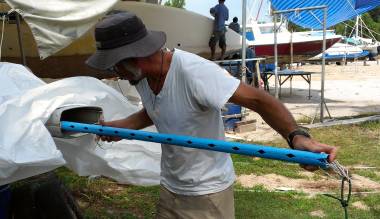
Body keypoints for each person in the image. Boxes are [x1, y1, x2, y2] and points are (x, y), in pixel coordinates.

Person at [86, 12, 338, 219]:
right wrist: (120, 128)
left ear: (135, 58)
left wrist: (297, 137)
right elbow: (156, 110)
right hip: (171, 186)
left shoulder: (195, 72)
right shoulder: (142, 77)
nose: (116, 71)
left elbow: (260, 100)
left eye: (116, 64)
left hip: (207, 194)